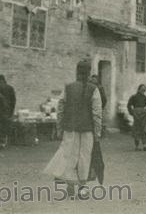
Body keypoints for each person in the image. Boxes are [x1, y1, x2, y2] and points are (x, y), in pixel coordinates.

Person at [44, 60, 103, 198]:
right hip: (87, 129)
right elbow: (97, 113)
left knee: (69, 155)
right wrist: (97, 132)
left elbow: (60, 109)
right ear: (89, 72)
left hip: (70, 128)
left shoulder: (68, 88)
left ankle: (70, 185)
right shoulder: (93, 89)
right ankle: (82, 188)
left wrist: (59, 128)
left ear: (77, 71)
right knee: (84, 157)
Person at [0, 72, 16, 147]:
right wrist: (11, 111)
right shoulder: (9, 87)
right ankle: (3, 141)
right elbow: (13, 100)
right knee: (4, 125)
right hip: (6, 109)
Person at [127, 84, 146, 151]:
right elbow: (129, 105)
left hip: (143, 115)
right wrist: (132, 112)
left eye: (144, 90)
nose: (143, 91)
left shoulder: (145, 97)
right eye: (142, 89)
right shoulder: (133, 97)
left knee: (144, 129)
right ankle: (137, 146)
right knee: (136, 129)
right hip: (136, 114)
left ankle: (144, 145)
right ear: (139, 89)